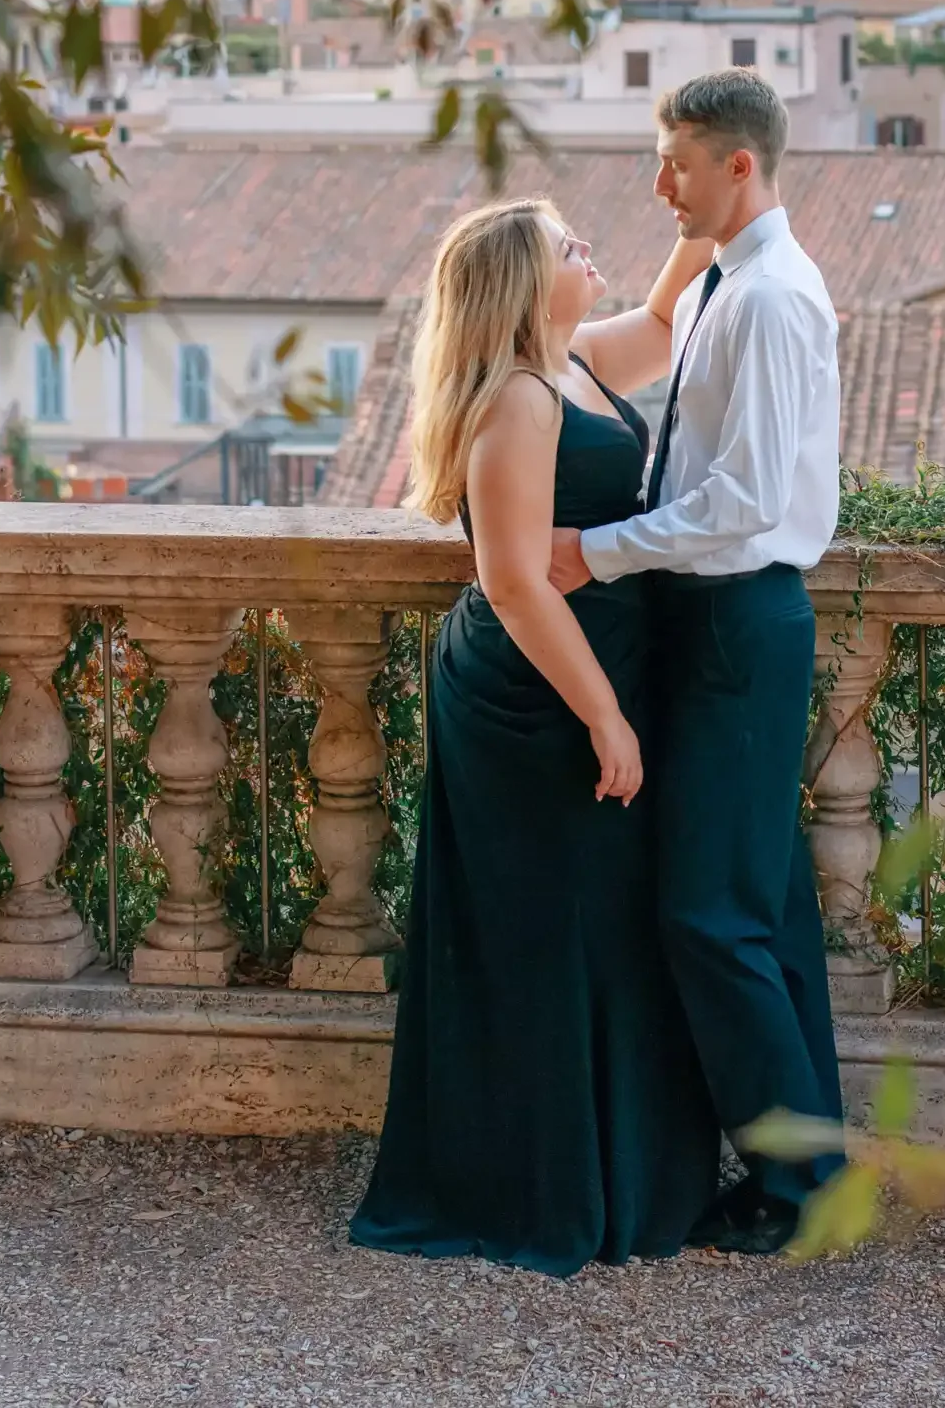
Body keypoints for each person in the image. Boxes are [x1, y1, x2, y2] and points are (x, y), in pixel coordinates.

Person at [349, 197, 722, 1276]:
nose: (585, 249)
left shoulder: (570, 361)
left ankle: (607, 1169)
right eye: (568, 245)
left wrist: (707, 205)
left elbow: (660, 325)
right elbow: (509, 580)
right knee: (550, 936)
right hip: (535, 697)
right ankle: (539, 1183)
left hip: (582, 670)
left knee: (596, 928)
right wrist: (603, 711)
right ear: (522, 280)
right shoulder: (516, 399)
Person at [549, 69, 844, 1257]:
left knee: (709, 918)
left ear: (739, 165)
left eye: (674, 161)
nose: (654, 183)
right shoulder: (728, 281)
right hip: (717, 625)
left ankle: (796, 1187)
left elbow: (745, 500)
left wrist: (593, 551)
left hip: (737, 622)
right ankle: (811, 1169)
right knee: (758, 908)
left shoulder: (770, 297)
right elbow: (682, 432)